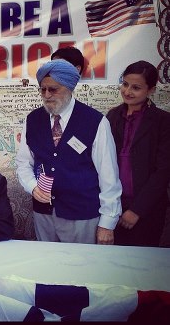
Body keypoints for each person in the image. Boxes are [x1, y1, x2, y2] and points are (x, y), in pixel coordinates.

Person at [15, 59, 122, 245]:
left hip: (81, 215)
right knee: (47, 267)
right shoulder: (32, 120)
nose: (47, 95)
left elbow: (109, 176)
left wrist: (108, 223)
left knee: (80, 269)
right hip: (44, 214)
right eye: (43, 89)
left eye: (53, 89)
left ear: (69, 88)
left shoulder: (95, 122)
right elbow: (24, 162)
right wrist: (32, 186)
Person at [106, 60, 170, 247]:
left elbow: (163, 172)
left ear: (150, 90)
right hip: (114, 205)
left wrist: (137, 210)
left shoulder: (163, 122)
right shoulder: (112, 116)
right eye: (125, 84)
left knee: (141, 264)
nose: (127, 91)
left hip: (147, 209)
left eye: (136, 87)